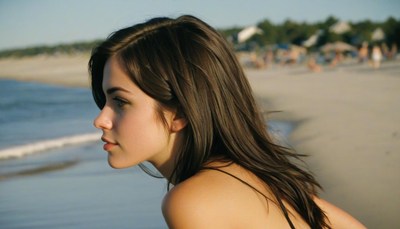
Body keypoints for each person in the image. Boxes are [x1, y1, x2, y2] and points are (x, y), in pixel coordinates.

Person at [89, 15, 366, 229]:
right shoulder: (260, 178)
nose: (101, 119)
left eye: (121, 102)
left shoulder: (191, 201)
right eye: (105, 101)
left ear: (180, 112)